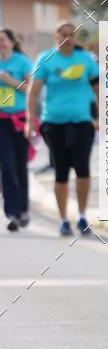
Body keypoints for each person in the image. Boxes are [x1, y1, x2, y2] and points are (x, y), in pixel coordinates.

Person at [27, 21, 99, 237]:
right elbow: (33, 91)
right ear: (55, 37)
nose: (68, 38)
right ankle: (64, 219)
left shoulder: (85, 59)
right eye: (63, 34)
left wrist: (101, 116)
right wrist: (30, 120)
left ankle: (83, 216)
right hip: (53, 123)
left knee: (82, 167)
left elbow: (98, 89)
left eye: (71, 35)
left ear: (75, 38)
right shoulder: (45, 58)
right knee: (61, 170)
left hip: (82, 122)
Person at [0, 29, 32, 231]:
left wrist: (11, 81)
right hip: (1, 121)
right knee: (7, 166)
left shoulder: (22, 62)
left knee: (20, 166)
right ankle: (12, 213)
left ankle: (23, 210)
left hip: (20, 119)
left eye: (3, 40)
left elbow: (32, 89)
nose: (0, 43)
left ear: (12, 42)